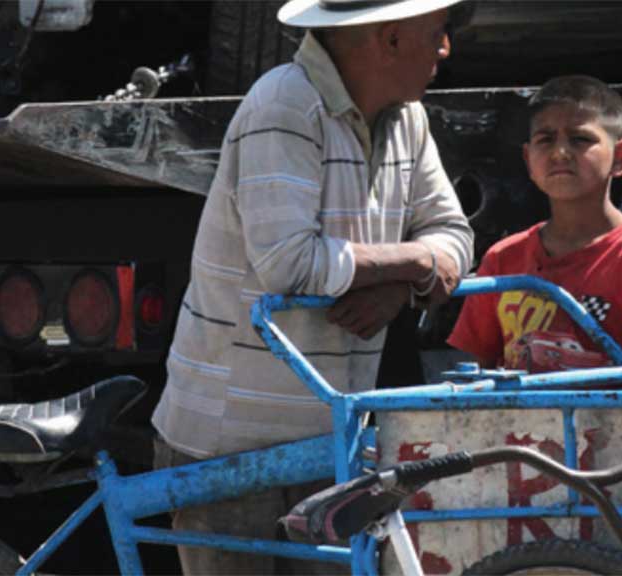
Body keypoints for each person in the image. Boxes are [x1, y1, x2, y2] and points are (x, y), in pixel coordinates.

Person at [150, 0, 473, 573]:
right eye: (436, 32)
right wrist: (414, 260)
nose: (445, 48)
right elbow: (289, 263)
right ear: (389, 40)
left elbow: (453, 236)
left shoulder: (407, 120)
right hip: (232, 449)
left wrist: (402, 289)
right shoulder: (285, 104)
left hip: (331, 434)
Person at [447, 75, 622, 385]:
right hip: (518, 432)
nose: (560, 152)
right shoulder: (502, 259)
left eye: (580, 139)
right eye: (545, 139)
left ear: (620, 157)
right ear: (528, 159)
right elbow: (476, 377)